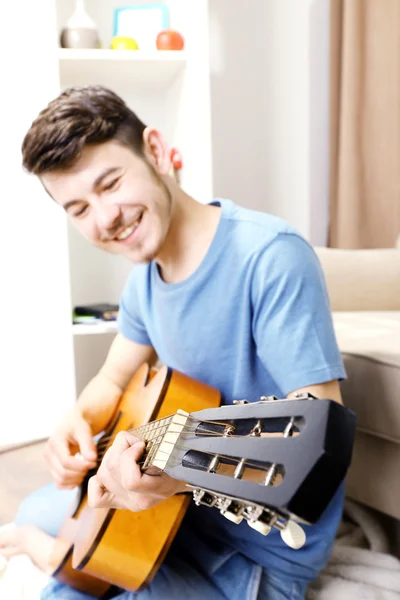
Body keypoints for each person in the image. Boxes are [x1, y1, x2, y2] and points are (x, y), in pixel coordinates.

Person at [0, 85, 347, 599]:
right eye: (78, 208)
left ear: (158, 152)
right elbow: (114, 377)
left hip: (254, 553)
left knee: (66, 589)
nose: (104, 219)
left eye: (111, 183)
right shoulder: (144, 279)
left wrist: (180, 479)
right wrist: (81, 421)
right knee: (37, 511)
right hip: (172, 515)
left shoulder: (269, 257)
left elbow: (320, 438)